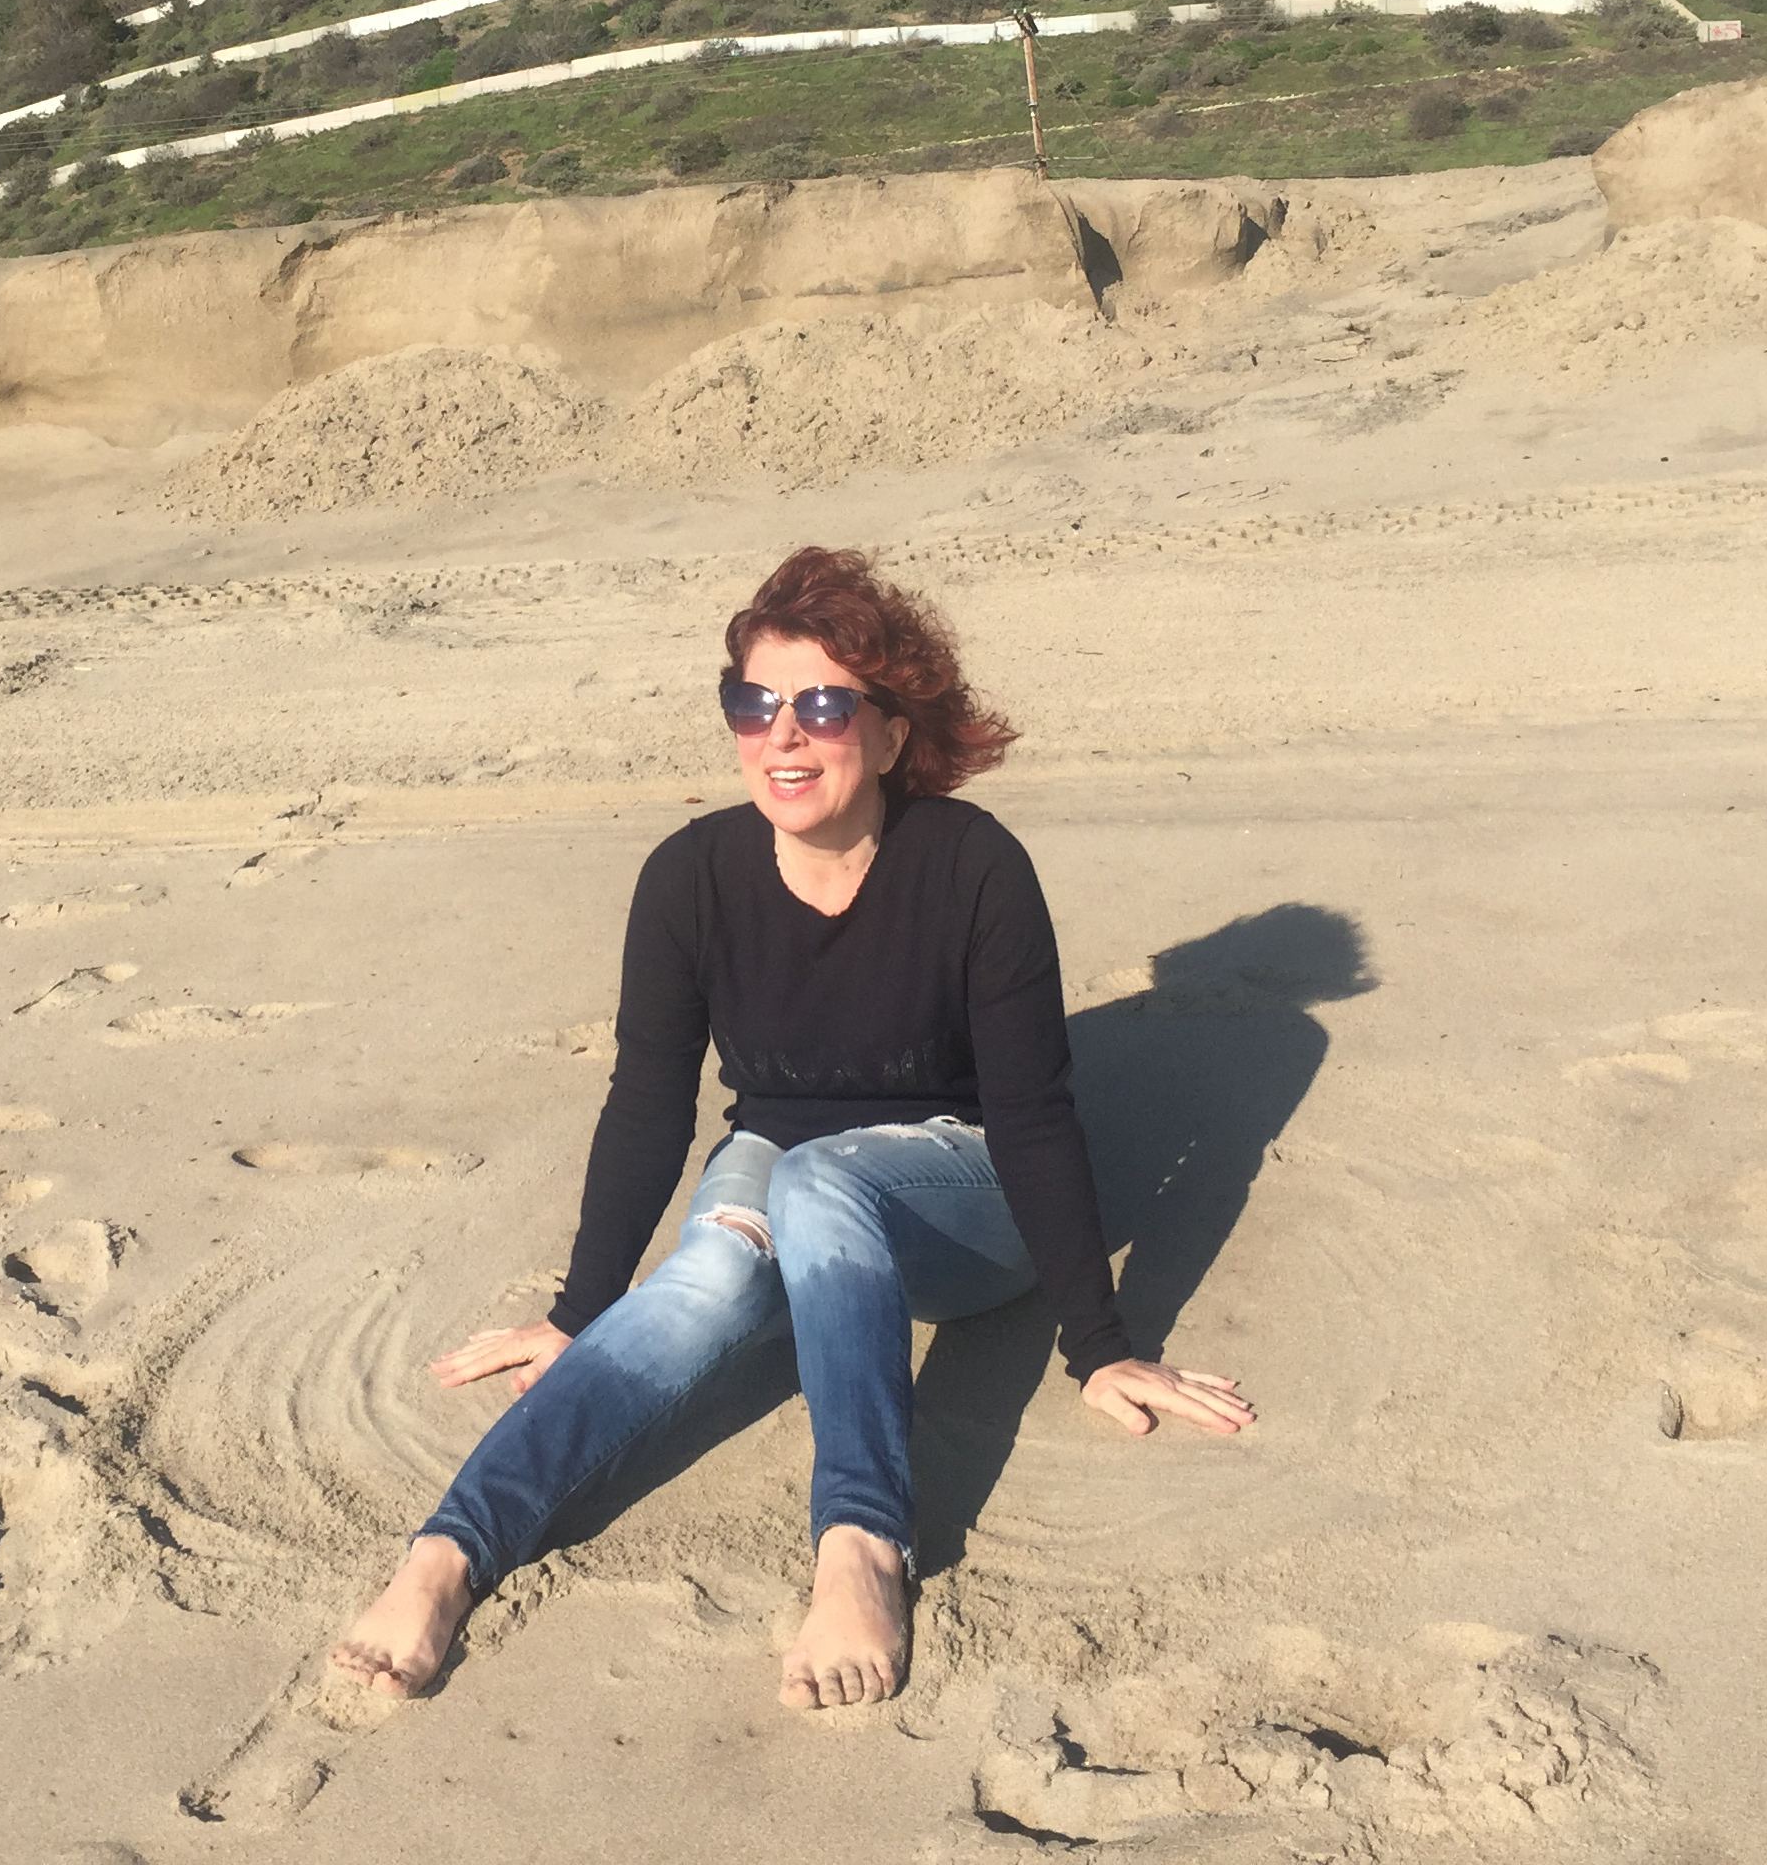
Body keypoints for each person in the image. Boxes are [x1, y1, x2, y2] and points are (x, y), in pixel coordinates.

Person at [331, 547, 1253, 1712]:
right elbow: (650, 1097)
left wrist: (1099, 1338)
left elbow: (1029, 1110)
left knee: (820, 1178)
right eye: (753, 703)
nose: (783, 736)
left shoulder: (973, 870)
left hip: (963, 1201)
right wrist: (578, 1309)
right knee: (705, 1276)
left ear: (890, 731)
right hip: (782, 1168)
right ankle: (448, 1553)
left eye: (821, 705)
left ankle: (861, 1542)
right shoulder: (689, 880)